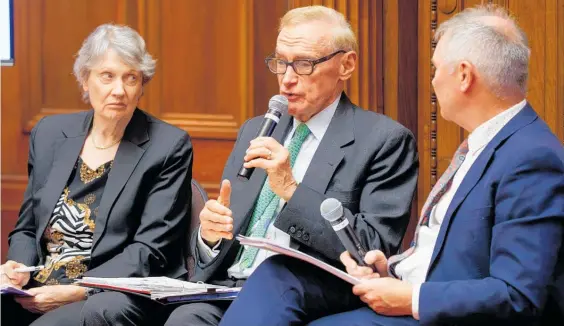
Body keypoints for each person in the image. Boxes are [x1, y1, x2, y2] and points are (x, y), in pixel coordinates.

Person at [220, 4, 564, 326]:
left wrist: (413, 297)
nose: (432, 81)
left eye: (435, 68)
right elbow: (441, 249)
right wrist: (392, 267)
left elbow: (519, 295)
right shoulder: (489, 143)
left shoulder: (529, 157)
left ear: (463, 76)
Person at [164, 5, 418, 326]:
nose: (287, 80)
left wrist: (291, 191)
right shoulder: (256, 128)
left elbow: (372, 248)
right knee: (184, 320)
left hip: (305, 292)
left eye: (303, 64)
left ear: (346, 65)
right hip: (229, 288)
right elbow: (221, 239)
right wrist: (209, 237)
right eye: (281, 63)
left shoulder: (384, 140)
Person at [0, 24, 193, 326]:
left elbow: (150, 251)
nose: (119, 90)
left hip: (111, 293)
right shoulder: (50, 134)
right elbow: (27, 228)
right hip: (39, 284)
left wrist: (77, 290)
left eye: (131, 78)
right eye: (107, 76)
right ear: (85, 79)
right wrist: (19, 269)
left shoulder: (168, 146)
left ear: (142, 85)